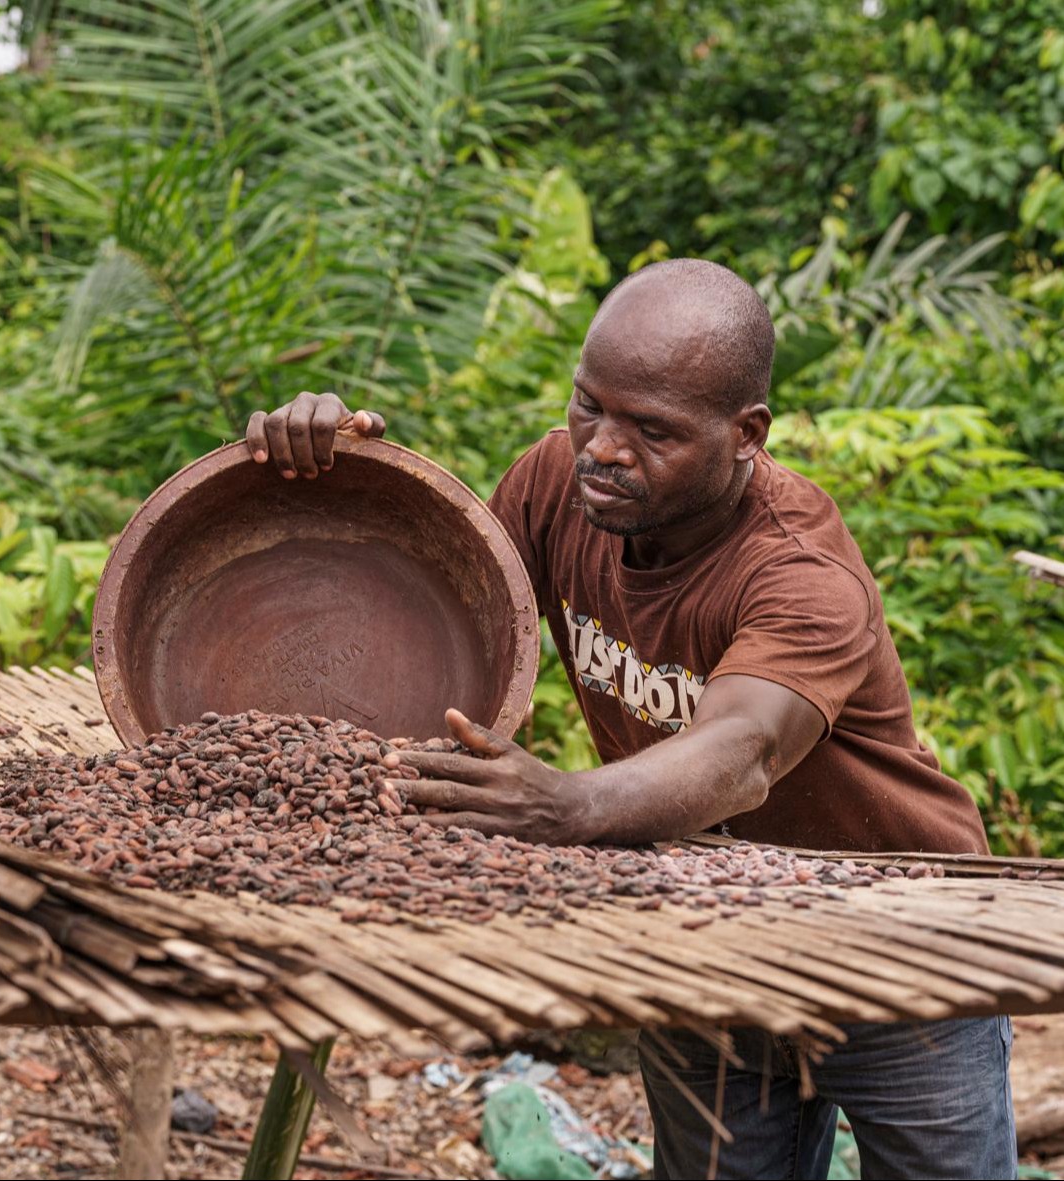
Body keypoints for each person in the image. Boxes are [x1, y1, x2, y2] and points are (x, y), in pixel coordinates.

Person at [246, 259, 1015, 1180]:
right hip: (704, 926)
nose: (602, 450)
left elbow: (742, 752)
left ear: (745, 434)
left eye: (652, 430)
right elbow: (437, 615)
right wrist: (333, 474)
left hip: (899, 948)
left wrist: (565, 805)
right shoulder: (555, 485)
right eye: (588, 406)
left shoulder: (800, 573)